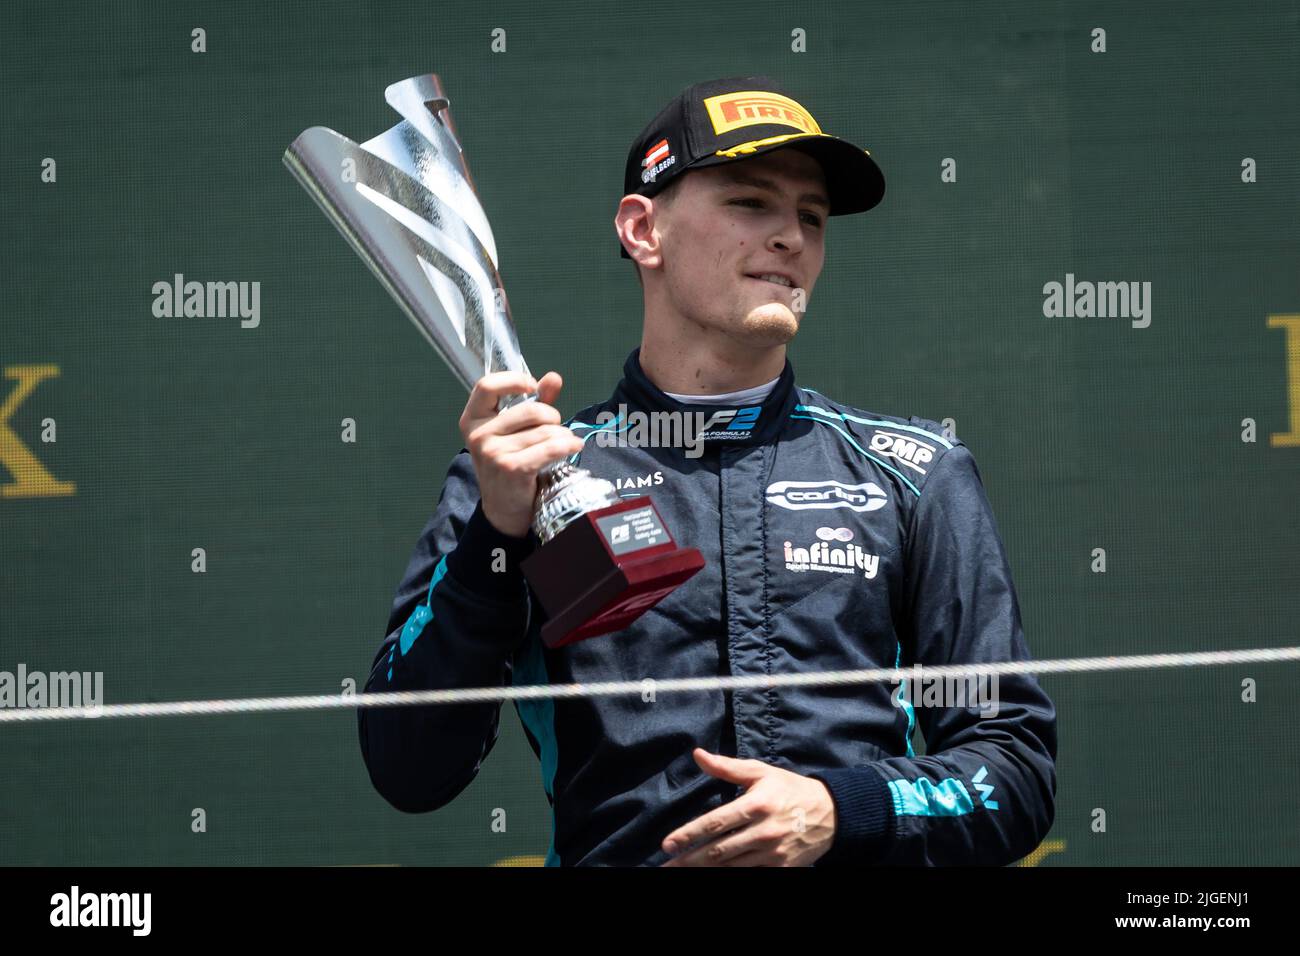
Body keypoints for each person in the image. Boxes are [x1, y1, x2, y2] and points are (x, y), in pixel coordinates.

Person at [358, 75, 1057, 866]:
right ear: (643, 230)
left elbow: (1013, 770)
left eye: (812, 217)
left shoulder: (915, 475)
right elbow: (408, 766)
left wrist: (842, 808)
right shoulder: (525, 475)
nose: (791, 236)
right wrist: (495, 536)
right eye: (751, 203)